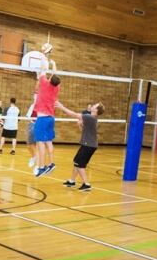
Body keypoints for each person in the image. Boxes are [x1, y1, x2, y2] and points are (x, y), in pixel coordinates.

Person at [59, 101, 104, 192]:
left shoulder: (90, 117)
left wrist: (61, 107)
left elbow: (74, 114)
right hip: (88, 144)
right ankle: (72, 181)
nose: (92, 106)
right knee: (76, 161)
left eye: (94, 105)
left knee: (80, 164)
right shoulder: (91, 118)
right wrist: (80, 125)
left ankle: (86, 184)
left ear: (96, 110)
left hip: (89, 145)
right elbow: (84, 130)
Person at [33, 43, 61, 177]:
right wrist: (54, 64)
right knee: (49, 141)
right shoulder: (56, 88)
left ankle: (41, 167)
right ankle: (52, 163)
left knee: (40, 143)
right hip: (51, 118)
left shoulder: (44, 84)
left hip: (43, 119)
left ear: (50, 80)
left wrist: (45, 56)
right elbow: (55, 75)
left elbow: (43, 69)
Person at [25, 92, 38, 168]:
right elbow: (28, 117)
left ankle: (36, 160)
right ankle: (34, 157)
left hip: (39, 126)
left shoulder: (42, 106)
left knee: (37, 145)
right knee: (30, 145)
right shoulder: (33, 106)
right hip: (32, 124)